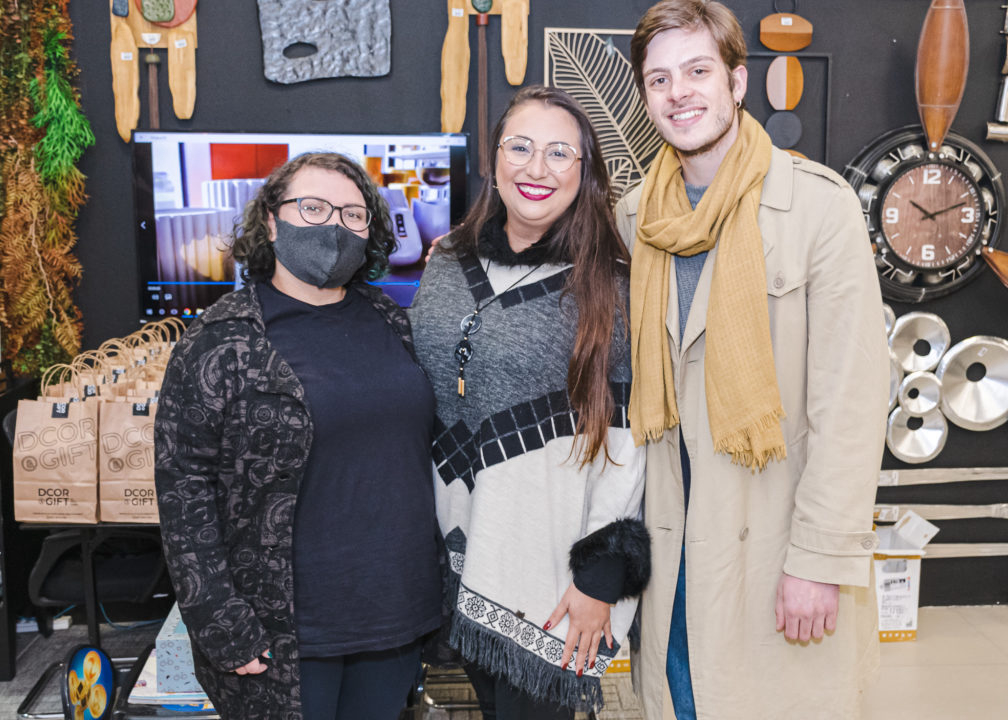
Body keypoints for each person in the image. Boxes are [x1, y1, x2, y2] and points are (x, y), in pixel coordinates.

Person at [614, 2, 889, 718]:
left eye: (698, 70)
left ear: (738, 82)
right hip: (671, 550)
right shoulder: (635, 216)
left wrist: (819, 561)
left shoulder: (818, 209)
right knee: (679, 700)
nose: (680, 93)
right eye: (660, 79)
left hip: (771, 542)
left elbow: (851, 403)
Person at [155, 152, 442, 720]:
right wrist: (218, 618)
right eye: (311, 208)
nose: (333, 225)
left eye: (353, 215)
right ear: (270, 221)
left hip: (394, 612)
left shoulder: (391, 320)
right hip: (284, 629)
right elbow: (183, 488)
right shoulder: (218, 341)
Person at [410, 85, 651, 719]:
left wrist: (599, 578)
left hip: (545, 565)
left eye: (558, 153)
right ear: (493, 159)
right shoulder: (447, 262)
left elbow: (626, 441)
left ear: (585, 170)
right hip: (453, 545)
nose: (536, 169)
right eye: (520, 147)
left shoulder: (610, 283)